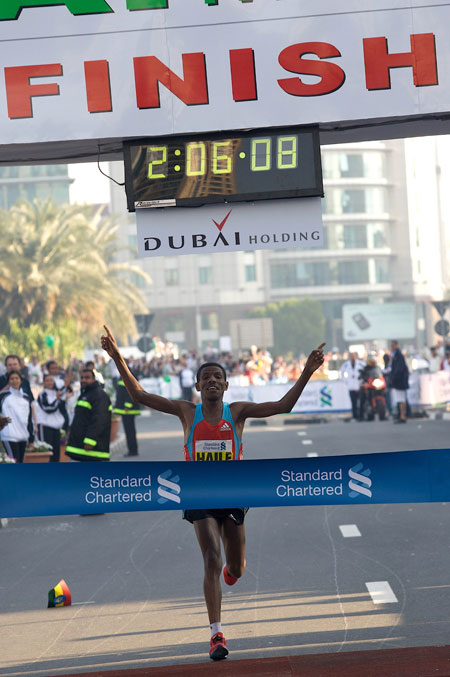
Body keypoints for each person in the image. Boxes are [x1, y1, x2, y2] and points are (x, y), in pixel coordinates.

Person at [101, 324, 325, 662]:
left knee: (235, 568)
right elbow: (141, 397)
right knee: (210, 558)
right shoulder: (186, 412)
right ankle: (216, 633)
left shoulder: (237, 413)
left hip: (233, 495)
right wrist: (118, 357)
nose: (212, 381)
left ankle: (229, 574)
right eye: (206, 377)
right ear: (197, 385)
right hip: (198, 494)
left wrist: (307, 372)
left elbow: (282, 406)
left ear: (226, 384)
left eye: (217, 377)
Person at [65, 369, 111, 462]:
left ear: (94, 379)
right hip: (80, 450)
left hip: (92, 451)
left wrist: (90, 440)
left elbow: (99, 419)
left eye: (87, 377)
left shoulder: (99, 395)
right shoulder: (85, 394)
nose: (83, 380)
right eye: (82, 378)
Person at [0, 370, 34, 463]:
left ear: (21, 380)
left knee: (20, 463)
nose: (14, 381)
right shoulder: (3, 396)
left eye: (16, 378)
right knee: (13, 463)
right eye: (12, 379)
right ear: (8, 381)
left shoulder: (26, 398)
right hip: (8, 436)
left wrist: (31, 438)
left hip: (23, 436)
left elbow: (29, 418)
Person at [36, 373, 68, 462]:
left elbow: (62, 408)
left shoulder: (58, 393)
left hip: (56, 427)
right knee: (46, 453)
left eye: (51, 380)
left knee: (56, 453)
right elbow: (48, 408)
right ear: (44, 382)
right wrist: (57, 399)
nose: (49, 382)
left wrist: (63, 399)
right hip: (45, 426)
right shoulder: (42, 395)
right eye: (47, 380)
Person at [113, 362, 141, 457]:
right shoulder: (125, 377)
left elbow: (131, 393)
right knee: (130, 431)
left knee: (130, 431)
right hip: (126, 410)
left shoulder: (128, 377)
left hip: (128, 410)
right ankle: (132, 449)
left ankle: (133, 450)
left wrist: (127, 405)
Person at [340, 352, 365, 421]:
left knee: (361, 402)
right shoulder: (346, 364)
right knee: (353, 402)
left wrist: (363, 380)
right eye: (351, 356)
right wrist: (346, 380)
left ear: (356, 356)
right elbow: (341, 372)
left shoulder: (361, 363)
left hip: (359, 385)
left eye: (353, 356)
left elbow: (365, 371)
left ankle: (361, 416)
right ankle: (355, 416)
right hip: (351, 386)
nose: (352, 357)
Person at [389, 340, 409, 423]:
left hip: (400, 381)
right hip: (398, 381)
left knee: (401, 399)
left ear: (396, 345)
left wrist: (394, 378)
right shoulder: (395, 355)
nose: (391, 347)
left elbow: (399, 369)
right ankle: (401, 415)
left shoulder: (398, 355)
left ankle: (403, 416)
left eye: (393, 345)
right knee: (399, 399)